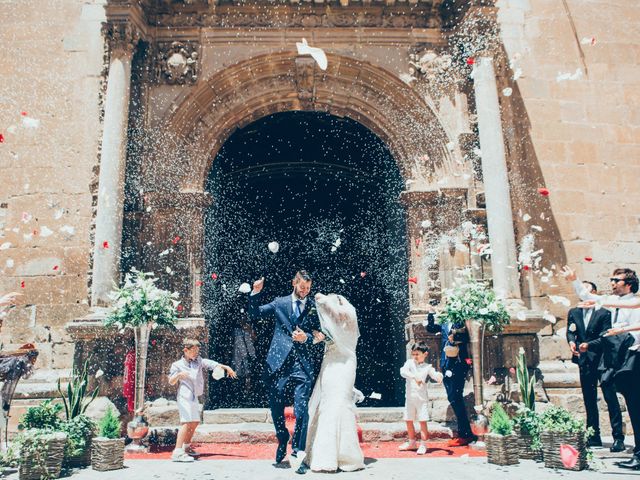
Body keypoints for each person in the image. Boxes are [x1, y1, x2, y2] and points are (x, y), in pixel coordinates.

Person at [564, 266, 640, 470]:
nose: (613, 283)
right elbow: (591, 297)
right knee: (633, 405)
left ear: (629, 284)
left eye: (617, 280)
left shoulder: (634, 302)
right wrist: (574, 280)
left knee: (635, 404)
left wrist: (621, 329)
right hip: (619, 357)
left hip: (634, 356)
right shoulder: (618, 303)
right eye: (612, 279)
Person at [248, 271, 321, 465]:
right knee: (276, 406)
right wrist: (255, 293)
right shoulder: (280, 303)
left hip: (302, 364)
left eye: (308, 288)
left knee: (301, 409)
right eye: (302, 287)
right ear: (294, 283)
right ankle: (282, 437)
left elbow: (322, 333)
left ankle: (298, 450)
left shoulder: (315, 306)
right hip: (278, 363)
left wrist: (307, 337)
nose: (305, 291)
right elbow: (255, 313)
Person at [301, 293, 364, 474]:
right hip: (334, 365)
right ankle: (331, 454)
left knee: (339, 404)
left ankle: (338, 455)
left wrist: (326, 302)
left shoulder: (346, 320)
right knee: (330, 404)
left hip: (342, 365)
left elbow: (321, 299)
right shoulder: (338, 323)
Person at [565, 281, 624, 451]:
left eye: (587, 290)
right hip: (584, 361)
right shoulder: (574, 312)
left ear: (594, 292)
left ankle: (618, 437)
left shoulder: (604, 313)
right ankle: (593, 435)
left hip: (603, 360)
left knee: (610, 397)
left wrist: (589, 345)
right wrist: (571, 343)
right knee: (589, 398)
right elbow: (571, 331)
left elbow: (606, 334)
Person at [168, 338, 236, 462]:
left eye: (197, 351)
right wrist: (178, 375)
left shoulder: (198, 361)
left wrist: (226, 367)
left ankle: (186, 447)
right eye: (193, 351)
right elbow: (171, 381)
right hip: (184, 396)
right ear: (185, 350)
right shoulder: (177, 365)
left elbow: (211, 364)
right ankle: (177, 452)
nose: (196, 353)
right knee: (186, 422)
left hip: (194, 396)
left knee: (194, 422)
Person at [426, 306, 476, 446]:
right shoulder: (443, 322)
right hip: (446, 363)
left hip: (459, 363)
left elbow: (468, 336)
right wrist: (431, 313)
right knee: (452, 397)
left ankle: (465, 434)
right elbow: (431, 328)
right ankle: (464, 432)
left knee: (455, 396)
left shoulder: (461, 321)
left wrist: (455, 338)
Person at [399, 342, 443, 454]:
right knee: (408, 420)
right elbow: (403, 371)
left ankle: (423, 444)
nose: (415, 356)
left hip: (421, 399)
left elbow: (434, 375)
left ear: (425, 354)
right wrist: (414, 376)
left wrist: (439, 377)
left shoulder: (427, 367)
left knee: (422, 421)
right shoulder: (409, 363)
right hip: (409, 397)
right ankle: (412, 442)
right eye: (413, 354)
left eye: (417, 354)